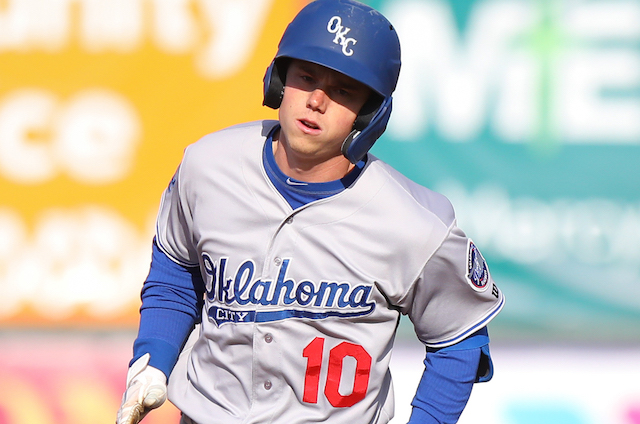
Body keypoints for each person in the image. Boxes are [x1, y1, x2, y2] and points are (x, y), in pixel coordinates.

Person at [116, 1, 505, 423]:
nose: (317, 100)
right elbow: (177, 270)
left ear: (369, 114)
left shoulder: (414, 222)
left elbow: (460, 341)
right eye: (306, 77)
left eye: (343, 90)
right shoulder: (208, 166)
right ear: (279, 80)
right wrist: (153, 357)